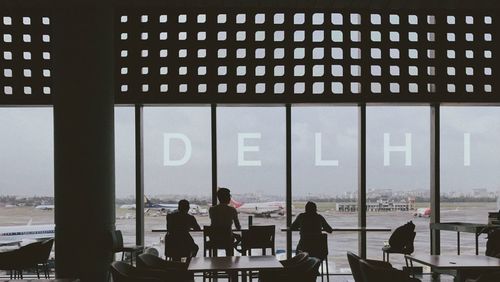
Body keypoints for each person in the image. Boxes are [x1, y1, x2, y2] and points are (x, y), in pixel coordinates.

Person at [208, 188, 241, 255]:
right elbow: (238, 227)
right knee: (237, 237)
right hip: (227, 239)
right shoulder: (232, 210)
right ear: (227, 198)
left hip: (215, 238)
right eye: (229, 196)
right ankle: (233, 254)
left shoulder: (212, 210)